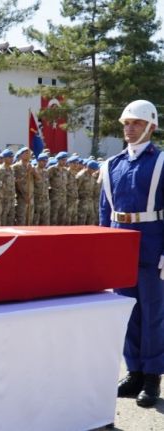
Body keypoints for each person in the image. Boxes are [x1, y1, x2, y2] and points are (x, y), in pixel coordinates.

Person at [101, 100, 164, 408]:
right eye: (126, 123)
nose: (129, 128)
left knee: (153, 315)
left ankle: (152, 377)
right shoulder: (113, 164)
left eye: (136, 123)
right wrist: (103, 249)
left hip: (152, 246)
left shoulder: (161, 162)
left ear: (151, 127)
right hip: (120, 244)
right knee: (126, 313)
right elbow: (105, 212)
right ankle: (134, 372)